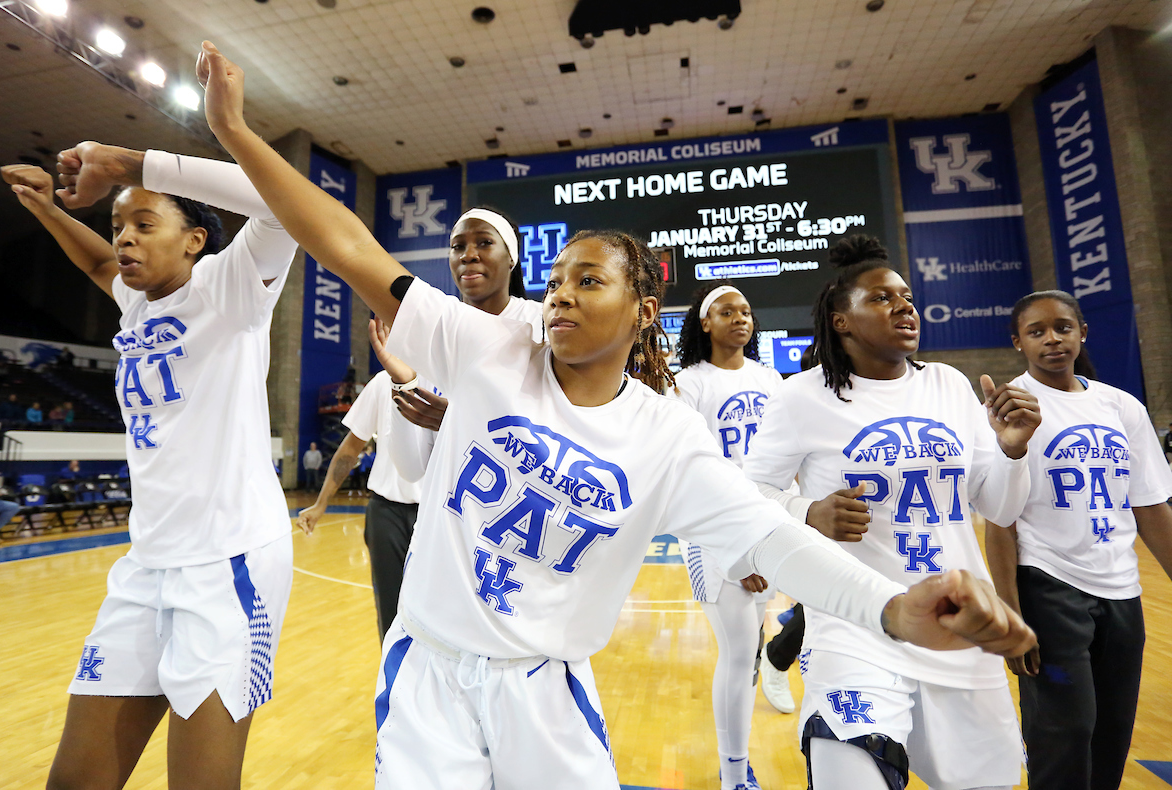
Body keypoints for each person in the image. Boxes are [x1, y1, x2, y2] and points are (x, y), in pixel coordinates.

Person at [196, 41, 1036, 789]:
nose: (562, 293)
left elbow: (773, 537)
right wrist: (235, 131)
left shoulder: (665, 434)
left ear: (643, 311)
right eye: (557, 280)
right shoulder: (488, 350)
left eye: (589, 280)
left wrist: (892, 609)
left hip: (547, 688)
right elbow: (344, 242)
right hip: (430, 676)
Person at [2, 132, 297, 790]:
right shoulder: (136, 302)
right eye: (117, 225)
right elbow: (95, 267)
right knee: (74, 781)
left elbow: (280, 204)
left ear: (194, 239)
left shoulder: (232, 287)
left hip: (231, 563)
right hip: (146, 564)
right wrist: (47, 209)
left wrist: (128, 165)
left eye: (143, 223)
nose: (125, 239)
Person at [744, 235, 1042, 790]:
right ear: (841, 321)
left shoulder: (949, 386)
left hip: (959, 630)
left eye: (907, 296)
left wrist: (1013, 450)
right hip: (855, 631)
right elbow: (747, 493)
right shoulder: (802, 396)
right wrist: (807, 511)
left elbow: (999, 504)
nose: (905, 306)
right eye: (882, 298)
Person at [983, 290, 1172, 790]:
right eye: (1037, 331)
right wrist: (1009, 610)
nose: (1052, 339)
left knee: (1112, 731)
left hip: (1122, 589)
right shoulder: (1010, 408)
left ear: (1082, 332)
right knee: (1066, 729)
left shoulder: (1120, 406)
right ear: (1017, 342)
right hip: (1047, 585)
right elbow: (999, 522)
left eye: (1063, 327)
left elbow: (1150, 504)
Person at [671, 282, 786, 789]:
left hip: (768, 522)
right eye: (726, 311)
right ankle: (734, 774)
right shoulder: (688, 383)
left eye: (745, 311)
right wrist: (737, 549)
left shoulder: (770, 378)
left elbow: (787, 460)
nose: (740, 318)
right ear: (704, 322)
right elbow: (688, 475)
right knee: (739, 651)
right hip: (713, 532)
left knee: (753, 646)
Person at [385, 205, 544, 482]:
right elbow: (411, 470)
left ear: (512, 258)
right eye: (457, 247)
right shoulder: (434, 333)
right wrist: (402, 382)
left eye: (484, 243)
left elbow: (561, 434)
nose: (468, 255)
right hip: (450, 516)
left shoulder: (542, 324)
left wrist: (462, 420)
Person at [298, 320, 423, 643]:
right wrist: (321, 502)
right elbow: (350, 447)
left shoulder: (452, 379)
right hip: (387, 513)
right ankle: (393, 686)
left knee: (439, 611)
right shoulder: (382, 383)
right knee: (391, 613)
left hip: (438, 512)